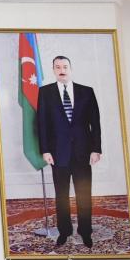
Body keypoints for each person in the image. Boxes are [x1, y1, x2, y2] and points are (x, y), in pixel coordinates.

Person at [37, 55, 102, 248]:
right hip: (58, 154)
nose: (62, 70)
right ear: (53, 70)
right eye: (57, 67)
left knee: (84, 194)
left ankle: (85, 231)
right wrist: (45, 150)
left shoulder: (86, 91)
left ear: (70, 69)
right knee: (61, 195)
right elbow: (42, 124)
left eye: (65, 66)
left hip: (83, 152)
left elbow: (95, 123)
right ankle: (64, 231)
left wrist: (96, 149)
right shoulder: (45, 93)